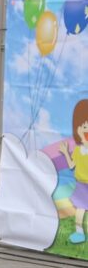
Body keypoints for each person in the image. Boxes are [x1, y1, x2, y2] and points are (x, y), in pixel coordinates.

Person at [59, 99, 88, 244]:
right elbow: (71, 165)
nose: (86, 130)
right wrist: (65, 152)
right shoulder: (78, 150)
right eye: (83, 127)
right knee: (80, 210)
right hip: (81, 184)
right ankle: (79, 233)